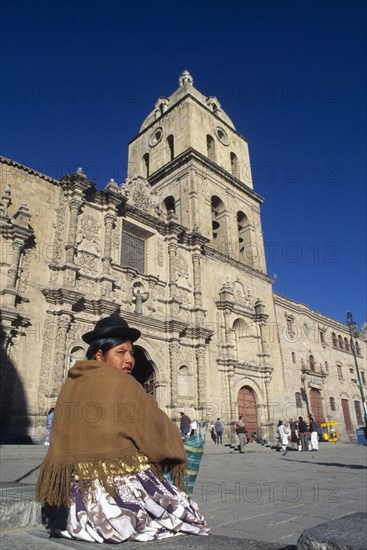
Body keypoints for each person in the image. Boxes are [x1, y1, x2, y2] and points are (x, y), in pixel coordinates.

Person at [36, 316, 209, 543]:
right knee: (192, 517)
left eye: (132, 353)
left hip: (68, 511)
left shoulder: (71, 384)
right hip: (117, 509)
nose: (129, 359)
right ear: (100, 354)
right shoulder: (125, 384)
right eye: (121, 352)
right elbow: (158, 436)